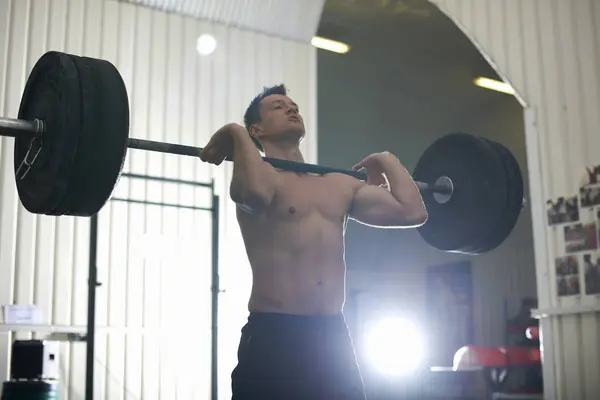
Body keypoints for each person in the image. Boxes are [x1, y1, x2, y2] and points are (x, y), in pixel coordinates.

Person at [199, 84, 427, 399]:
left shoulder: (338, 185)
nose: (291, 109)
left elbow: (412, 211)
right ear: (258, 129)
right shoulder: (261, 178)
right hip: (274, 336)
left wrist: (387, 160)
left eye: (293, 105)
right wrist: (236, 134)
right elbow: (253, 195)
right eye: (278, 107)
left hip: (332, 337)